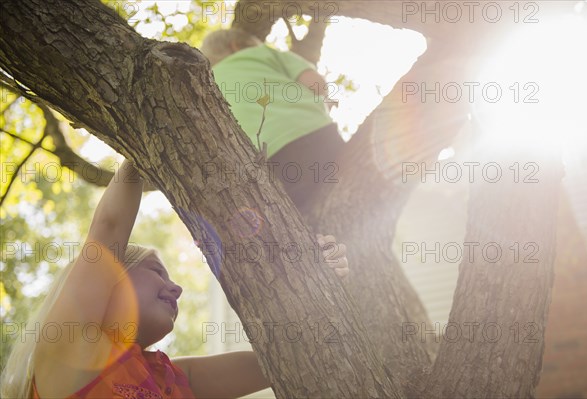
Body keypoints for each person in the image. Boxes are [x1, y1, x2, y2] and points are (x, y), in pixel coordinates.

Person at [0, 159, 349, 398]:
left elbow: (286, 359)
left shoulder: (171, 378)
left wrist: (315, 282)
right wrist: (142, 141)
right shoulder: (71, 348)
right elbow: (107, 229)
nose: (177, 288)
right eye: (155, 271)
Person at [200, 29, 345, 214]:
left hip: (269, 159)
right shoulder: (263, 53)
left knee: (303, 211)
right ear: (235, 45)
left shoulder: (207, 84)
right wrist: (325, 102)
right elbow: (316, 84)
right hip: (315, 133)